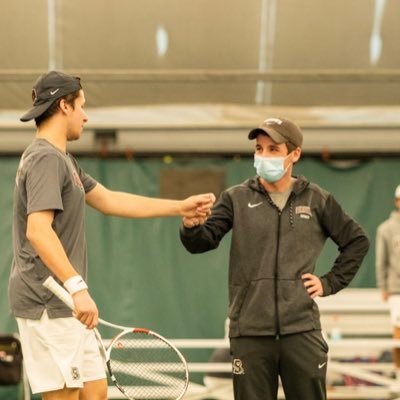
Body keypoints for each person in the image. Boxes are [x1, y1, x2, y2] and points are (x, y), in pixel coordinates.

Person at [8, 70, 215, 400]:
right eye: (81, 106)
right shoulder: (46, 158)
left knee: (95, 392)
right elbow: (38, 230)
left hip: (67, 305)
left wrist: (180, 207)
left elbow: (109, 199)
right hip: (49, 301)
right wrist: (77, 288)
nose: (85, 116)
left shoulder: (65, 161)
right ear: (64, 106)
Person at [180, 117, 370, 400]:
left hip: (302, 332)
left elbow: (357, 242)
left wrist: (329, 282)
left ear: (294, 154)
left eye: (273, 149)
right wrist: (191, 227)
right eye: (259, 149)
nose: (263, 156)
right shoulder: (235, 198)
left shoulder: (317, 199)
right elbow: (201, 243)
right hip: (250, 334)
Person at [376, 184, 400, 394]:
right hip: (396, 290)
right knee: (398, 334)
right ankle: (399, 375)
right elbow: (381, 260)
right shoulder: (386, 228)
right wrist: (383, 286)